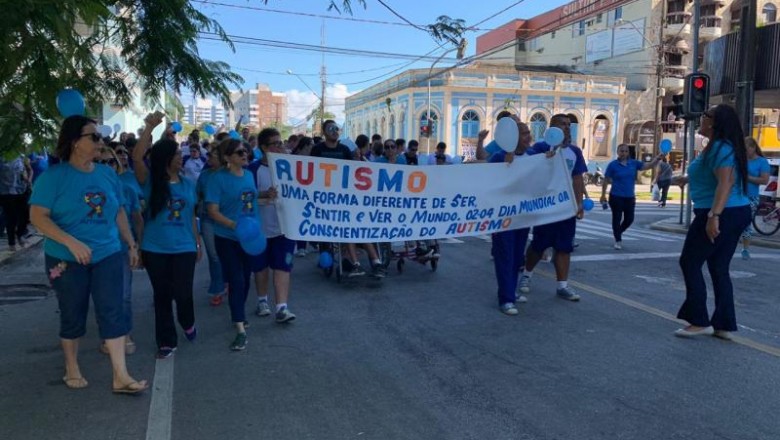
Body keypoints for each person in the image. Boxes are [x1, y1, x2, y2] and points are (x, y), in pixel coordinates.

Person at [29, 115, 147, 394]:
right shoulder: (53, 177)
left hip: (107, 253)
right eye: (93, 136)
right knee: (73, 312)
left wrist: (130, 243)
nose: (100, 141)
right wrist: (71, 242)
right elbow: (38, 217)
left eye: (100, 136)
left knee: (113, 309)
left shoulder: (106, 174)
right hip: (66, 258)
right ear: (74, 143)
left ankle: (121, 375)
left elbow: (118, 209)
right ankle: (71, 367)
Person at [673, 104, 751, 340]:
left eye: (706, 116)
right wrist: (686, 179)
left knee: (689, 262)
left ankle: (699, 321)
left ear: (714, 123)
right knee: (718, 267)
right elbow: (717, 178)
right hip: (734, 211)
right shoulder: (718, 148)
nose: (701, 118)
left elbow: (725, 184)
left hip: (721, 212)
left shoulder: (719, 147)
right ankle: (723, 324)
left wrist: (713, 217)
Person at [133, 112, 201, 359]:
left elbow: (191, 216)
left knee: (183, 293)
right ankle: (166, 340)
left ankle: (188, 321)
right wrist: (149, 127)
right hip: (155, 249)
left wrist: (198, 242)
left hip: (184, 247)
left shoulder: (187, 185)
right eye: (176, 155)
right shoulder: (150, 182)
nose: (181, 159)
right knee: (162, 296)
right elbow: (137, 157)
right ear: (166, 159)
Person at [519, 114, 586, 302]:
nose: (566, 128)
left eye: (568, 125)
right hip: (546, 206)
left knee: (565, 247)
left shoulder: (575, 151)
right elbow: (526, 167)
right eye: (562, 124)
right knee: (539, 245)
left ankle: (562, 286)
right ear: (552, 128)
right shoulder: (540, 148)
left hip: (566, 209)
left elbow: (577, 178)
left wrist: (578, 203)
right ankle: (526, 275)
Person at [206, 137, 263, 351]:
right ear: (228, 158)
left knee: (246, 278)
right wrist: (234, 225)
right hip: (227, 237)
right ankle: (239, 327)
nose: (245, 154)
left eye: (246, 151)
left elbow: (249, 201)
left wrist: (266, 196)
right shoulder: (217, 179)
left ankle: (237, 312)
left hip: (250, 237)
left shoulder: (248, 175)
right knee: (236, 280)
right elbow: (212, 211)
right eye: (240, 152)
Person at [311, 121, 385, 278]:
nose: (335, 131)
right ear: (324, 132)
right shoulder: (317, 150)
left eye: (336, 129)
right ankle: (354, 262)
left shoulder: (344, 150)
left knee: (358, 229)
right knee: (344, 231)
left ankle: (376, 263)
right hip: (325, 199)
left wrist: (359, 160)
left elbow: (353, 172)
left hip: (345, 199)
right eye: (331, 129)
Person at [97, 147, 143, 355]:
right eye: (102, 163)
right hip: (97, 250)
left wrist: (137, 245)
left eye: (111, 162)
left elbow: (136, 218)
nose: (108, 167)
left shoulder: (126, 186)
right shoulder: (88, 186)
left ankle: (125, 333)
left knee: (123, 295)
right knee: (104, 296)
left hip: (122, 247)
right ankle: (108, 335)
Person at [488, 120, 533, 315]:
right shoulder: (499, 157)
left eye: (528, 133)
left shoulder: (533, 158)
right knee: (504, 256)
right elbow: (486, 181)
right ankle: (505, 298)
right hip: (503, 218)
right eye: (523, 133)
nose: (528, 137)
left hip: (522, 217)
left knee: (516, 257)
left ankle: (511, 292)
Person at [253, 128, 297, 322]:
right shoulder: (252, 170)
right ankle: (262, 300)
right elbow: (244, 195)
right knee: (261, 268)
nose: (281, 146)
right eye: (276, 143)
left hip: (285, 228)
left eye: (281, 142)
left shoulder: (291, 167)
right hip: (259, 230)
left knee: (282, 267)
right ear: (264, 147)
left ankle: (282, 307)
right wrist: (263, 195)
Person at [600, 144, 663, 250]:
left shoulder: (633, 163)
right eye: (621, 151)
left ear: (628, 153)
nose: (623, 153)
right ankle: (618, 240)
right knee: (617, 218)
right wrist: (603, 195)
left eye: (625, 151)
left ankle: (618, 232)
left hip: (629, 197)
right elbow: (606, 180)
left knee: (629, 219)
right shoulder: (613, 165)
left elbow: (647, 166)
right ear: (617, 152)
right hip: (616, 196)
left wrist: (657, 159)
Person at [196, 145, 228, 306]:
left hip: (227, 219)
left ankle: (227, 280)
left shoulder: (230, 175)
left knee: (226, 253)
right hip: (207, 218)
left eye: (213, 156)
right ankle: (217, 288)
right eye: (208, 156)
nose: (209, 159)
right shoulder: (204, 176)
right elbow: (197, 196)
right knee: (214, 255)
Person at [739, 137, 770, 259]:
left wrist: (748, 178)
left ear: (753, 148)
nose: (745, 153)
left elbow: (764, 180)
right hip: (737, 194)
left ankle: (745, 249)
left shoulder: (762, 162)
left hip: (752, 196)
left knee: (745, 221)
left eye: (746, 150)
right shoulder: (741, 160)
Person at [0, 154, 31, 251]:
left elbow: (30, 169)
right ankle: (11, 243)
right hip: (5, 192)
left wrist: (28, 180)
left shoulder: (21, 156)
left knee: (25, 216)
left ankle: (20, 234)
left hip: (21, 190)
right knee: (10, 218)